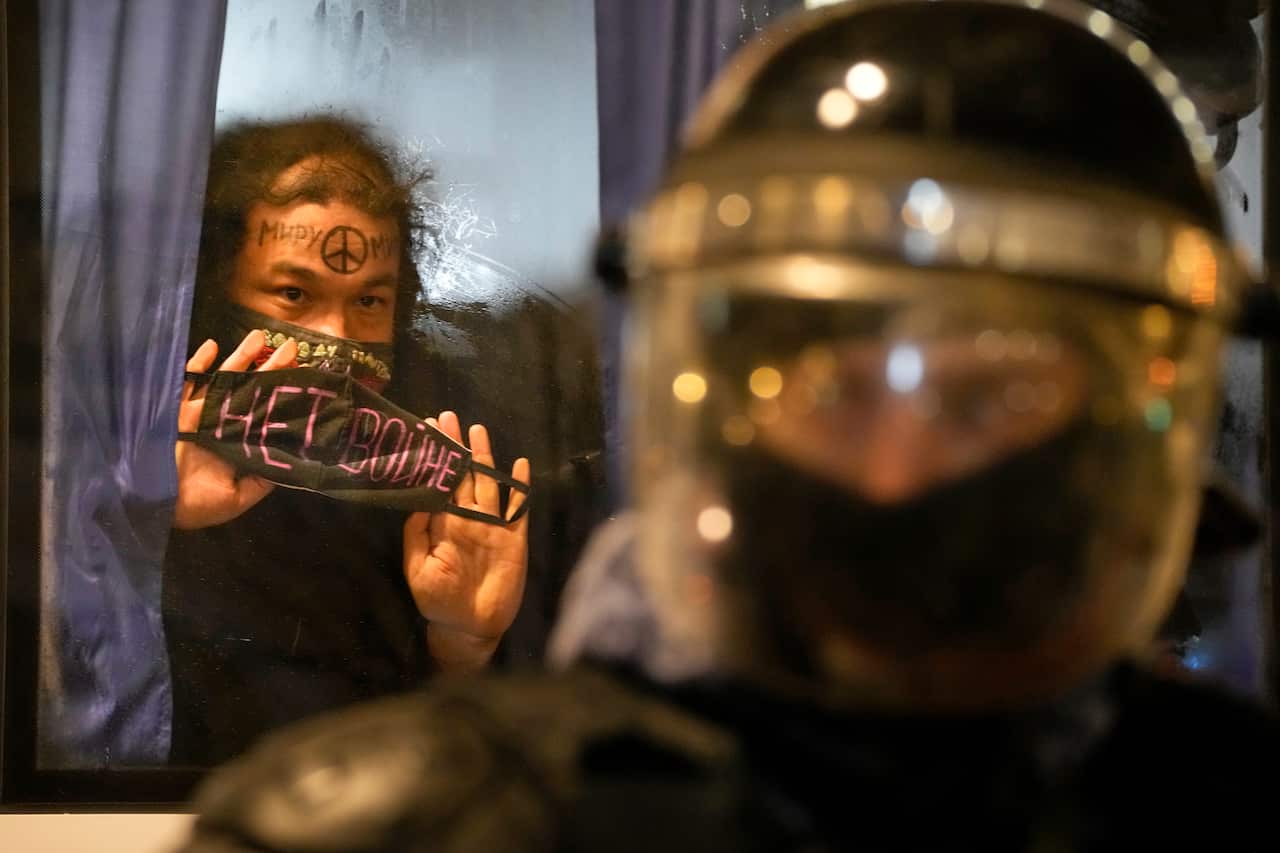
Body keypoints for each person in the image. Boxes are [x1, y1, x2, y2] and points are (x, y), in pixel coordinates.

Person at [174, 1, 1277, 849]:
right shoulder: (438, 819)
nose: (895, 476)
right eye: (835, 391)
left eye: (994, 397)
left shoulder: (1218, 802)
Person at [163, 117, 540, 766]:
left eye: (369, 300)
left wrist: (464, 645)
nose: (335, 341)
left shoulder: (436, 483)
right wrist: (149, 519)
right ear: (217, 292)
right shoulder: (133, 451)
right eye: (292, 292)